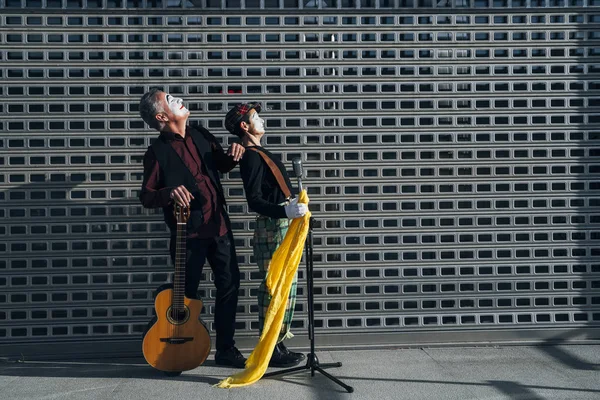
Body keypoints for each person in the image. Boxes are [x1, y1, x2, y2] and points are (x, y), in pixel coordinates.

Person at [138, 88, 246, 368]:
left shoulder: (201, 134)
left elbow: (219, 165)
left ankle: (225, 349)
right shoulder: (156, 152)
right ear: (162, 115)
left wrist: (234, 155)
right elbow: (147, 196)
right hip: (188, 234)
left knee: (230, 285)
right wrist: (170, 192)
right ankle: (179, 348)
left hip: (218, 225)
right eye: (170, 100)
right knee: (185, 296)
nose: (178, 98)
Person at [224, 102, 308, 368]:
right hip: (272, 228)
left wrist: (293, 206)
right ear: (244, 126)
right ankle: (271, 348)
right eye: (255, 117)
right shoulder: (250, 156)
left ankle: (278, 342)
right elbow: (255, 201)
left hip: (282, 224)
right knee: (274, 288)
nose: (261, 120)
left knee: (286, 287)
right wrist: (286, 212)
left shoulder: (260, 152)